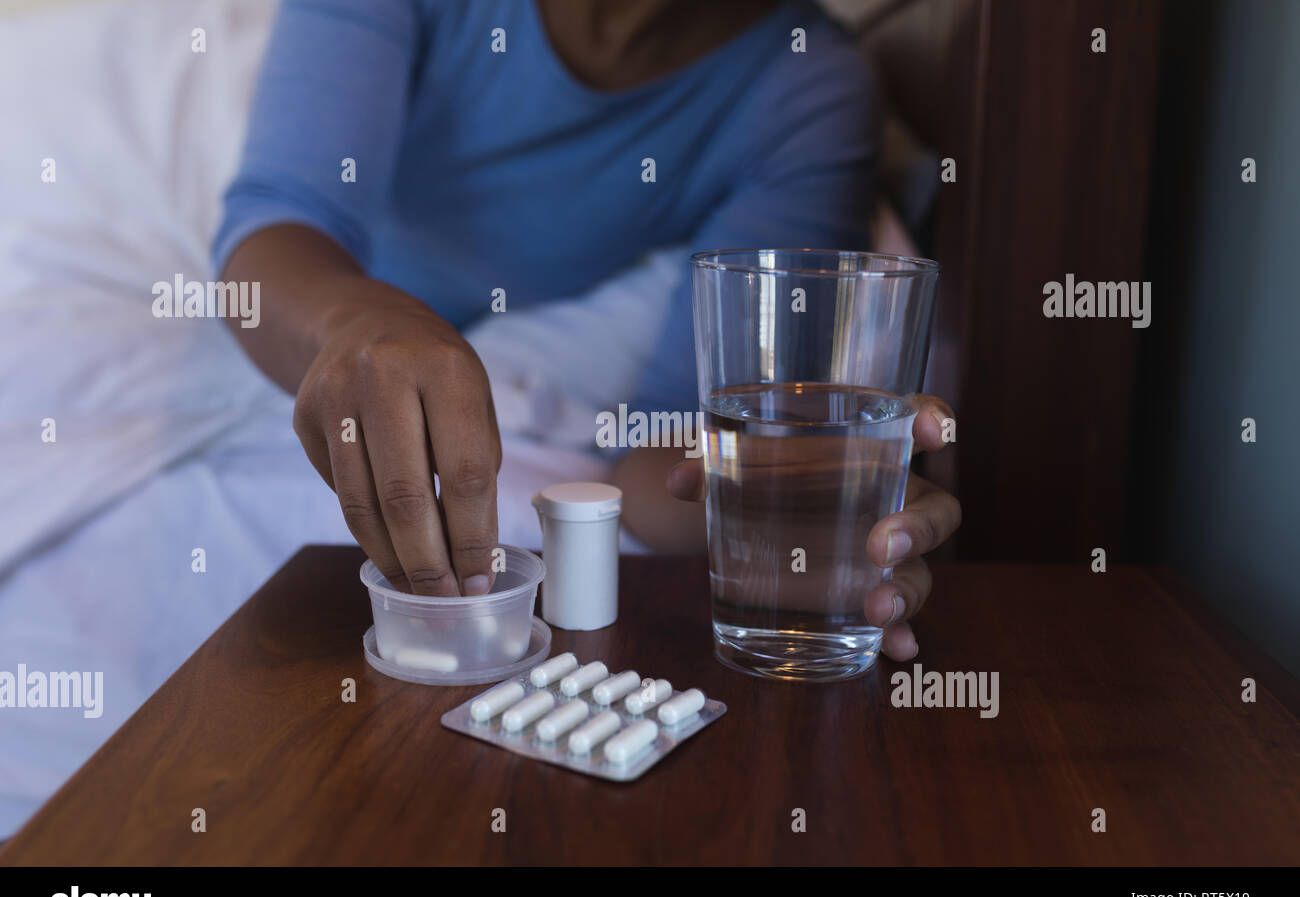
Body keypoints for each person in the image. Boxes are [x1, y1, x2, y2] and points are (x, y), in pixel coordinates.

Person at [213, 0, 959, 661]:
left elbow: (657, 459)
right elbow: (274, 228)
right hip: (308, 306)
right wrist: (362, 322)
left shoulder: (806, 88)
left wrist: (793, 499)